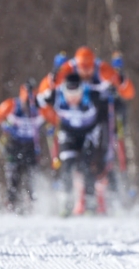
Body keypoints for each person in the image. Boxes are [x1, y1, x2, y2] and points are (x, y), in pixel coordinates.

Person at [42, 72, 108, 216]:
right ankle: (66, 202)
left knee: (86, 166)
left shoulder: (92, 95)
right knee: (67, 165)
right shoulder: (57, 95)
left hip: (88, 134)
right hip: (68, 134)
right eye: (69, 94)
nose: (72, 98)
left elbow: (108, 90)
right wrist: (49, 82)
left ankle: (90, 202)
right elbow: (39, 99)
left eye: (76, 94)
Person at [0, 80, 47, 213]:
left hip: (31, 146)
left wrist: (49, 128)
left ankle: (31, 205)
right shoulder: (11, 105)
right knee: (13, 176)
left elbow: (54, 119)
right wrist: (0, 123)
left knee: (31, 176)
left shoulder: (40, 107)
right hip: (14, 145)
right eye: (27, 96)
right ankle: (11, 205)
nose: (29, 101)